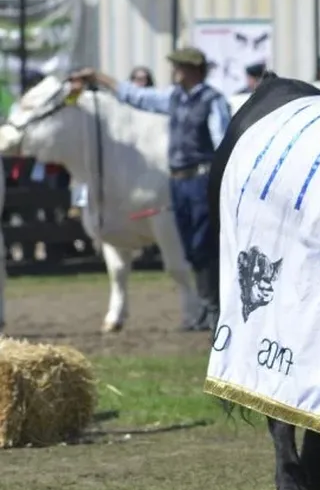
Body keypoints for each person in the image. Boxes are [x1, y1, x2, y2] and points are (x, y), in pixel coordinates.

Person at [70, 47, 232, 333]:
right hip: (178, 180)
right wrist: (99, 77)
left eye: (179, 66)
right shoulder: (175, 98)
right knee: (192, 248)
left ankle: (214, 309)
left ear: (192, 69)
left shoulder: (212, 100)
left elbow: (223, 142)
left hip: (201, 179)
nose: (175, 71)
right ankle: (205, 308)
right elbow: (136, 96)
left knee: (204, 245)